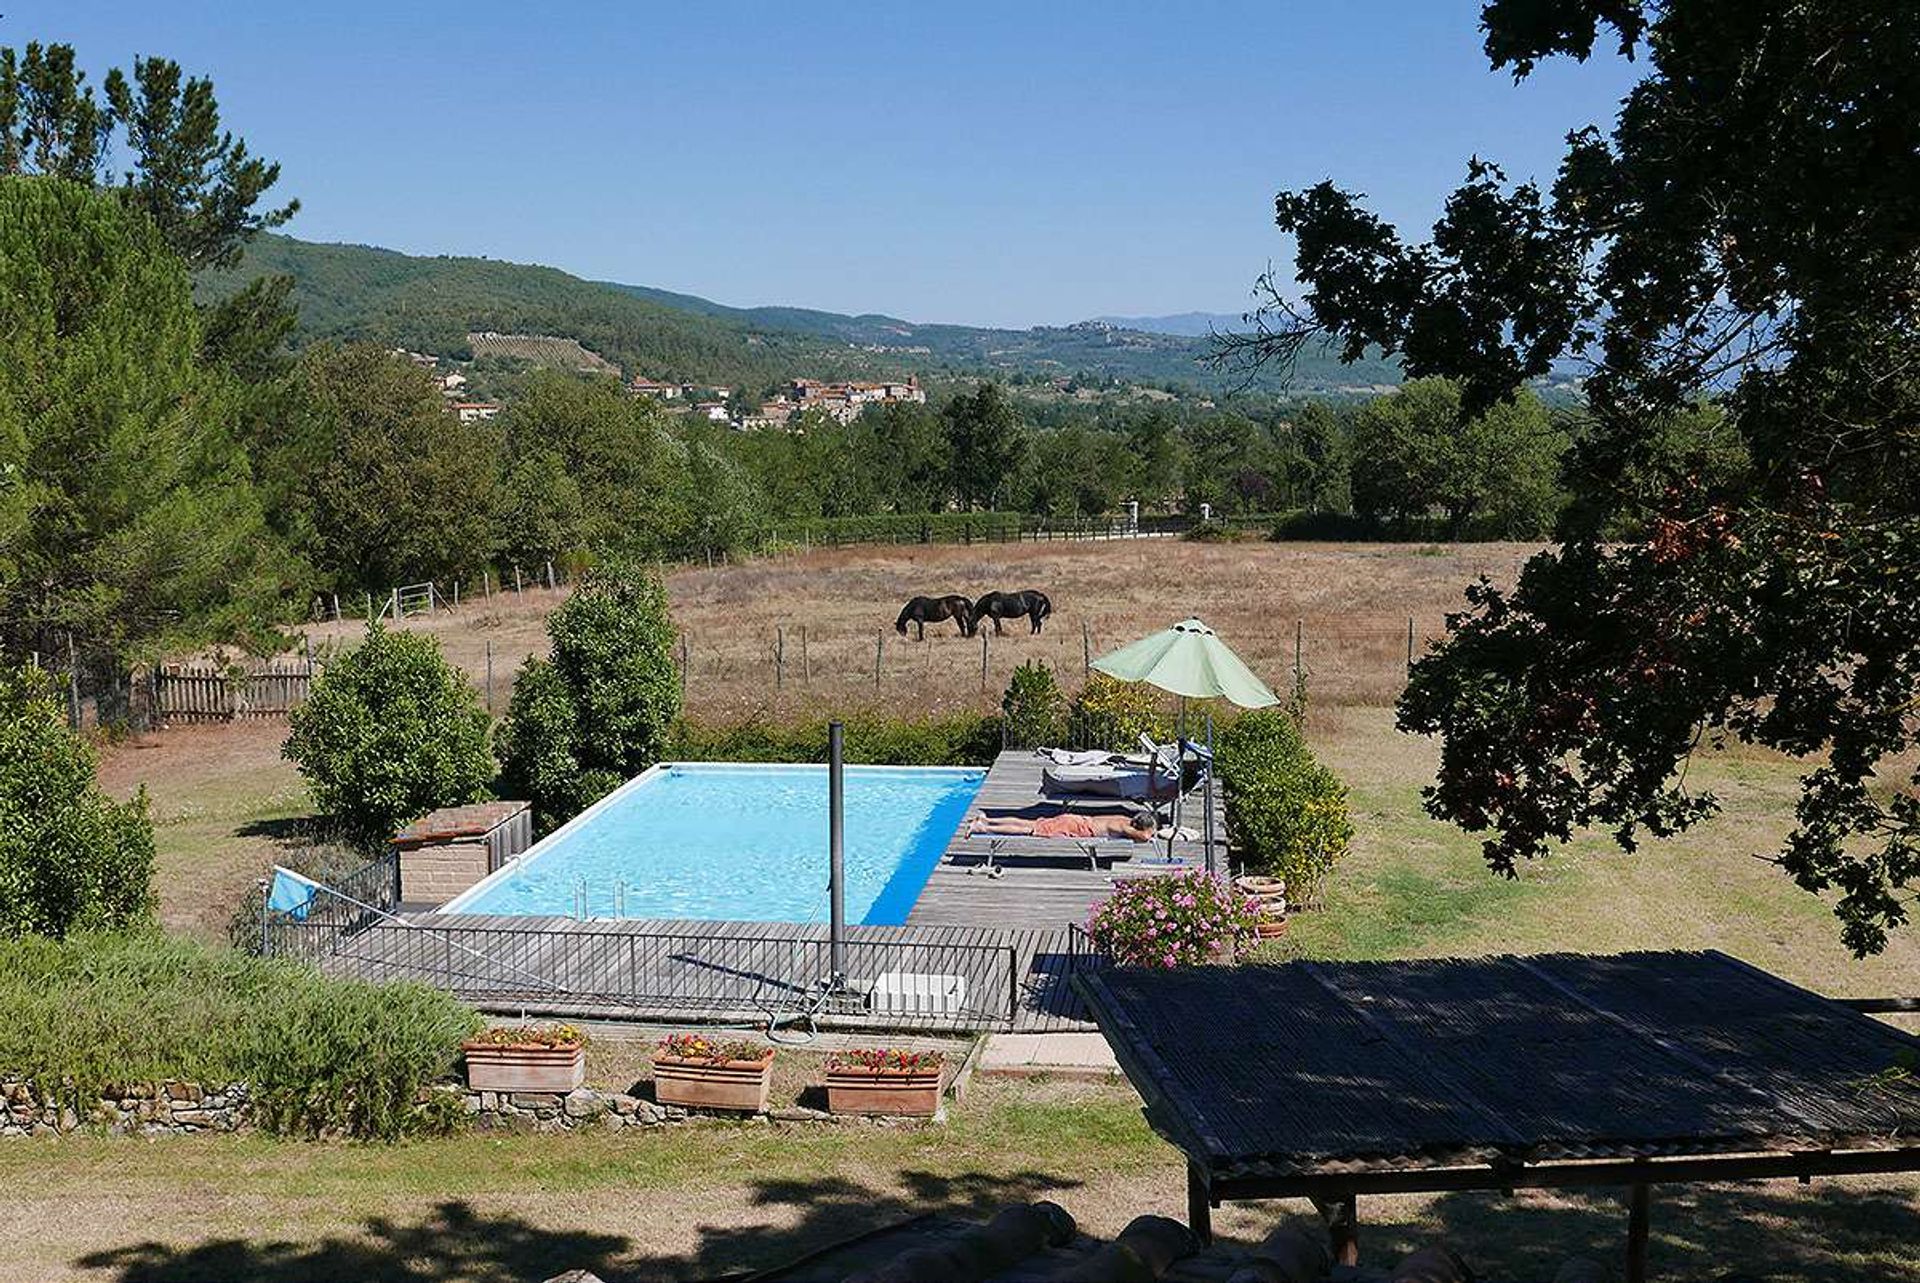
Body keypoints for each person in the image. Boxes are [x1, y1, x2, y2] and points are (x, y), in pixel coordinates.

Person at [966, 810, 1155, 841]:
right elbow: (1145, 837)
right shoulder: (1124, 827)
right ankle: (984, 828)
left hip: (1075, 819)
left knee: (1028, 823)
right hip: (1074, 827)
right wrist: (1152, 832)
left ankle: (986, 819)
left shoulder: (1123, 818)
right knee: (1028, 830)